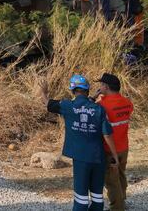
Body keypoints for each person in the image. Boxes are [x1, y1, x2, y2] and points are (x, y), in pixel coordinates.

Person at [41, 75, 119, 211]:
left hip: (81, 158)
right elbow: (107, 134)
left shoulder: (66, 106)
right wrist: (115, 156)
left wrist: (44, 92)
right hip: (98, 157)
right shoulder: (99, 109)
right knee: (97, 196)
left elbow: (47, 103)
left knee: (81, 198)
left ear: (72, 91)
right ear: (87, 91)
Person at [95, 73, 134, 211]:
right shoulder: (127, 103)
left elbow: (88, 108)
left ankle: (117, 208)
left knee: (112, 182)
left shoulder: (102, 105)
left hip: (110, 150)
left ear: (105, 86)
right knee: (121, 175)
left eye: (101, 85)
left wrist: (94, 96)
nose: (99, 87)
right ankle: (122, 201)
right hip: (124, 147)